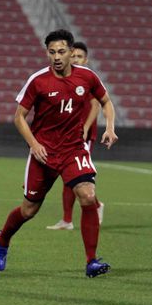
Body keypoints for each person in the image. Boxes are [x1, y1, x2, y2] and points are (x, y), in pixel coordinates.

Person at [0, 29, 118, 278]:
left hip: (73, 149)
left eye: (61, 51)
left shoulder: (87, 77)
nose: (56, 57)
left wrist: (110, 127)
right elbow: (19, 117)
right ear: (46, 53)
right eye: (52, 52)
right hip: (44, 153)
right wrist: (34, 144)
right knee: (29, 210)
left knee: (88, 196)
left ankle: (91, 261)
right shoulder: (38, 81)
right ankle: (3, 239)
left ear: (71, 52)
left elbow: (106, 101)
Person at [47, 41, 104, 230]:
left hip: (83, 135)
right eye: (74, 56)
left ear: (86, 60)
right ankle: (71, 217)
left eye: (80, 56)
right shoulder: (68, 78)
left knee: (73, 178)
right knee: (69, 177)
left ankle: (72, 217)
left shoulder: (88, 80)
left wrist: (86, 127)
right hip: (69, 134)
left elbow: (96, 105)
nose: (76, 59)